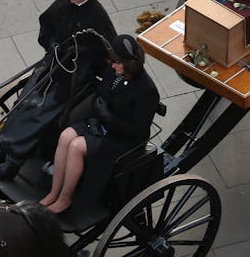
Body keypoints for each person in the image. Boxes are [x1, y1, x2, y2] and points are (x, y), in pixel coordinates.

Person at [0, 0, 117, 179]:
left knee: (40, 113)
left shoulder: (98, 16)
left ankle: (13, 162)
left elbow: (108, 49)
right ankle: (0, 151)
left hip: (73, 76)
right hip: (52, 63)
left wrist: (81, 52)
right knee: (23, 102)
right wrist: (51, 43)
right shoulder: (62, 3)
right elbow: (46, 23)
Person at [40, 34, 160, 213]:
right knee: (66, 136)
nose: (112, 65)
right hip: (100, 124)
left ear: (129, 63)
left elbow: (138, 130)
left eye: (117, 62)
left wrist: (109, 119)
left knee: (76, 146)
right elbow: (101, 95)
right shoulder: (113, 71)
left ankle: (65, 198)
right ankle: (54, 192)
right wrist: (97, 116)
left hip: (123, 139)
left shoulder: (146, 90)